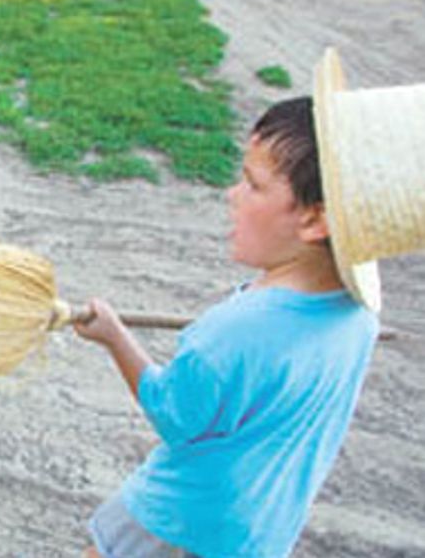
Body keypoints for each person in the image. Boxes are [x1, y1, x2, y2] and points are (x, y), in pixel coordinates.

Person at [74, 49, 425, 557]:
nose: (233, 195)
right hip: (257, 535)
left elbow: (174, 415)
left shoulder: (234, 329)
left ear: (314, 220)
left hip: (181, 524)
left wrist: (114, 337)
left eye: (253, 183)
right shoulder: (358, 318)